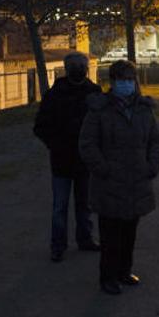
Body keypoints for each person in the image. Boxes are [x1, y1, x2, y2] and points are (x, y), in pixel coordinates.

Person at [78, 60, 159, 296]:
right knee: (110, 234)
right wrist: (103, 168)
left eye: (130, 79)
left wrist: (152, 164)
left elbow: (155, 140)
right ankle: (108, 276)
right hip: (110, 183)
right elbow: (87, 144)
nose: (126, 84)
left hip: (137, 181)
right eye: (121, 80)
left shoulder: (143, 110)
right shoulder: (99, 110)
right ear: (112, 82)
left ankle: (125, 271)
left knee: (129, 232)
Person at [34, 51, 102, 261]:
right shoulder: (56, 94)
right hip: (62, 159)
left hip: (83, 160)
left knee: (84, 205)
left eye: (81, 66)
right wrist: (55, 144)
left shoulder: (93, 92)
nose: (79, 70)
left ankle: (84, 239)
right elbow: (41, 126)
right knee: (60, 207)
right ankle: (58, 245)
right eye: (75, 66)